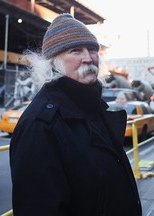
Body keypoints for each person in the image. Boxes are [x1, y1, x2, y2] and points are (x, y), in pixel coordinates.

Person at [9, 13, 142, 216]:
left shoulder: (93, 108)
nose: (88, 58)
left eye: (92, 49)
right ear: (53, 63)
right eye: (75, 51)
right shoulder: (40, 125)